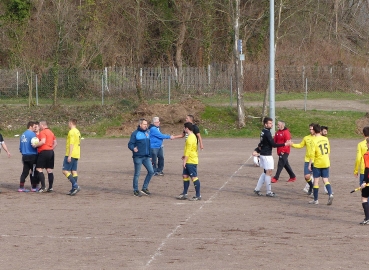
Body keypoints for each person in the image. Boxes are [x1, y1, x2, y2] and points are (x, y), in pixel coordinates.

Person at [254, 117, 292, 197]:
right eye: (270, 123)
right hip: (267, 155)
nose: (272, 125)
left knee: (265, 172)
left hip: (263, 154)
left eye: (272, 123)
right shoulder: (267, 133)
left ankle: (257, 189)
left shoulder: (263, 132)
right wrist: (285, 144)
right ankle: (268, 192)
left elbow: (261, 143)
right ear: (265, 124)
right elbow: (273, 145)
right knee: (269, 172)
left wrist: (256, 150)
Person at [128, 118, 155, 197]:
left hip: (146, 157)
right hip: (138, 157)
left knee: (151, 171)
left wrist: (150, 155)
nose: (146, 126)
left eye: (146, 124)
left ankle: (144, 188)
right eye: (144, 124)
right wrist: (133, 148)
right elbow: (130, 144)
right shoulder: (135, 133)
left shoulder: (147, 133)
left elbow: (149, 145)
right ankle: (135, 190)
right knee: (137, 174)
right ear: (140, 125)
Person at [308, 124, 334, 205]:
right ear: (320, 130)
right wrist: (328, 160)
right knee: (325, 180)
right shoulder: (326, 139)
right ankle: (330, 193)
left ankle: (316, 200)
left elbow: (312, 154)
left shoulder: (314, 140)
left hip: (318, 163)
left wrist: (309, 164)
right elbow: (329, 151)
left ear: (314, 131)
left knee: (316, 180)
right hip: (326, 162)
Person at [177, 122, 201, 201]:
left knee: (194, 177)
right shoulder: (191, 136)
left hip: (191, 160)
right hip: (188, 159)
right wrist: (184, 156)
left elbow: (189, 150)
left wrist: (184, 161)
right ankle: (185, 193)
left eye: (184, 128)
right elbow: (188, 150)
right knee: (185, 176)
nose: (184, 129)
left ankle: (198, 195)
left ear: (187, 128)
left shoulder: (191, 138)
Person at [33, 120, 57, 193]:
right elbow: (55, 143)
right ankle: (50, 187)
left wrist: (35, 145)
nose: (39, 127)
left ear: (42, 125)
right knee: (49, 170)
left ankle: (43, 187)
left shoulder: (43, 132)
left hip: (44, 152)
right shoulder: (51, 132)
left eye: (40, 125)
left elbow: (43, 141)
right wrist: (51, 148)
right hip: (51, 152)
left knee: (39, 168)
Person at [291, 123, 315, 195]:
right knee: (307, 177)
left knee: (318, 177)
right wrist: (292, 144)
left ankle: (317, 193)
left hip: (316, 160)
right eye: (310, 129)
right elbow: (300, 145)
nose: (311, 131)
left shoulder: (318, 138)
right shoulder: (306, 138)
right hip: (307, 160)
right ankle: (311, 186)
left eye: (312, 129)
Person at [62, 119, 81, 196]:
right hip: (77, 153)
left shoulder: (72, 132)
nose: (68, 125)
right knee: (74, 171)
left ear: (71, 123)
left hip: (71, 154)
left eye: (68, 123)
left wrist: (69, 155)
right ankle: (73, 188)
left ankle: (75, 185)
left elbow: (71, 144)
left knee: (64, 170)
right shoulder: (77, 131)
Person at [19, 121, 38, 192]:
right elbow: (35, 144)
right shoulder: (33, 134)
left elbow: (20, 148)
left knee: (25, 172)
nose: (35, 128)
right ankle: (33, 187)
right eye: (34, 127)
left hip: (24, 156)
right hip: (32, 155)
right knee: (33, 172)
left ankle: (21, 187)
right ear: (30, 126)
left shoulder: (23, 134)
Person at [359, 138, 369, 225]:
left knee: (364, 198)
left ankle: (367, 218)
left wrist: (364, 181)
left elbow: (367, 169)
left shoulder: (367, 154)